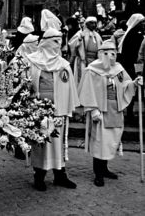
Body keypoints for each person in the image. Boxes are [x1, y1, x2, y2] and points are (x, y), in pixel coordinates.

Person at [78, 40, 143, 187]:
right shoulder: (92, 70)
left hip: (115, 109)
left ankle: (105, 168)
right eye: (107, 53)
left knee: (109, 142)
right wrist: (93, 109)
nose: (111, 56)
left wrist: (134, 83)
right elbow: (87, 91)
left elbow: (125, 84)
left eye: (114, 53)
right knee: (100, 142)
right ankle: (98, 173)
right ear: (101, 53)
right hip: (101, 109)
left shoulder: (118, 69)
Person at [26, 28, 80, 191]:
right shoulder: (32, 61)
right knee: (41, 143)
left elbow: (70, 87)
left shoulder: (63, 65)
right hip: (38, 110)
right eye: (55, 41)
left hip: (58, 110)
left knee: (58, 143)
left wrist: (69, 109)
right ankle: (39, 176)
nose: (58, 45)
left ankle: (60, 175)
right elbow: (25, 85)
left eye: (60, 41)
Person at [118, 13, 145, 122]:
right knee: (132, 89)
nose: (143, 24)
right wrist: (139, 69)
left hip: (133, 65)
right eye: (142, 22)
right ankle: (129, 113)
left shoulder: (134, 33)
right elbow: (137, 55)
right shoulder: (135, 34)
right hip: (133, 66)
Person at [68, 16, 102, 86]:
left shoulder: (97, 35)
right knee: (83, 80)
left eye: (95, 23)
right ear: (86, 24)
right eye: (91, 23)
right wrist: (79, 40)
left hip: (95, 60)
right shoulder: (81, 33)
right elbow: (71, 44)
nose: (94, 25)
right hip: (83, 60)